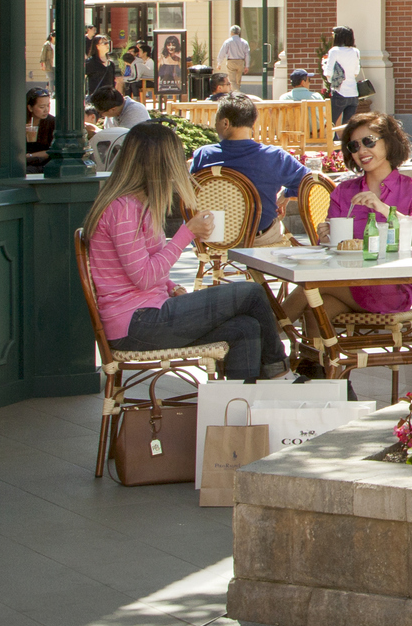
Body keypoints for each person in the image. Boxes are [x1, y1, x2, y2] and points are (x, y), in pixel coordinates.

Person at [89, 123, 287, 381]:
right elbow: (144, 277)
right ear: (157, 163)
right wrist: (187, 233)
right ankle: (280, 370)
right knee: (251, 292)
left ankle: (238, 410)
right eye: (174, 159)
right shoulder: (125, 209)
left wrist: (170, 285)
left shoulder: (135, 204)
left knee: (245, 327)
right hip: (136, 324)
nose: (179, 166)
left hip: (147, 314)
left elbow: (135, 266)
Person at [316, 111, 412, 318]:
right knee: (318, 309)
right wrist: (326, 238)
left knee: (312, 290)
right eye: (354, 146)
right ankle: (299, 349)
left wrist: (382, 207)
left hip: (392, 286)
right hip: (348, 281)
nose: (362, 150)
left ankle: (271, 333)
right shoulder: (344, 192)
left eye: (369, 141)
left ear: (388, 142)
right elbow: (333, 248)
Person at [190, 93, 308, 243]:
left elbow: (190, 195)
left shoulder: (204, 155)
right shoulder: (274, 157)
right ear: (253, 123)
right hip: (259, 238)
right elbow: (309, 183)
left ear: (225, 123)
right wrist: (286, 193)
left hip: (212, 238)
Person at [322, 25, 361, 128]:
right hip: (353, 94)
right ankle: (346, 143)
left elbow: (328, 74)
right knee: (348, 127)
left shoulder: (335, 51)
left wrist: (324, 64)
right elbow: (356, 72)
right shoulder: (355, 51)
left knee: (331, 123)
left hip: (339, 92)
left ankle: (334, 142)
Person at [26, 89, 55, 173]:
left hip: (44, 164)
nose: (46, 110)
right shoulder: (21, 122)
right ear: (30, 108)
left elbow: (52, 151)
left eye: (48, 106)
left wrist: (30, 155)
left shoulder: (52, 123)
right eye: (42, 107)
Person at [85, 35, 116, 100]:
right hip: (96, 99)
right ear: (97, 46)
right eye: (104, 43)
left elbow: (113, 82)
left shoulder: (111, 63)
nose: (107, 45)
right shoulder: (91, 62)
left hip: (109, 99)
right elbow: (82, 80)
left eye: (108, 42)